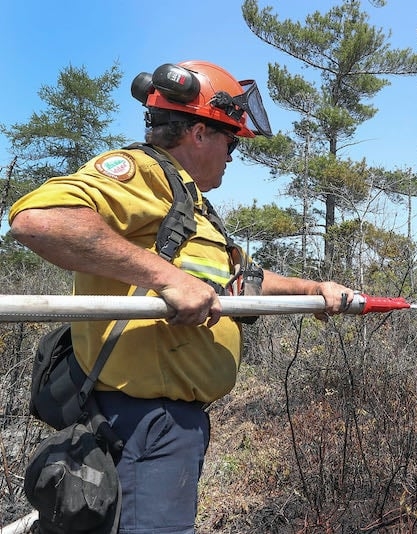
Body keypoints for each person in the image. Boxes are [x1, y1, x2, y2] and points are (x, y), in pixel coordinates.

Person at [9, 60, 354, 533]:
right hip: (140, 421)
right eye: (230, 142)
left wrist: (317, 290)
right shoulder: (144, 173)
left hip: (170, 425)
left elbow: (240, 281)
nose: (232, 156)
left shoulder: (190, 206)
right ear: (198, 133)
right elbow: (39, 219)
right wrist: (166, 278)